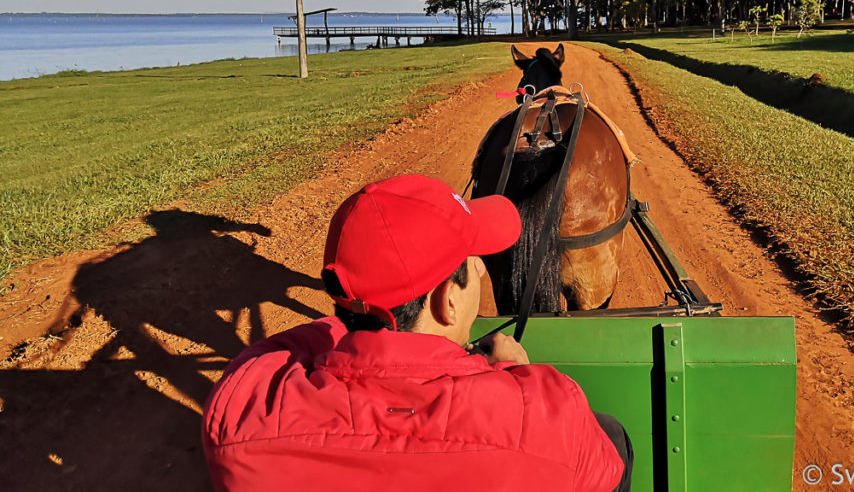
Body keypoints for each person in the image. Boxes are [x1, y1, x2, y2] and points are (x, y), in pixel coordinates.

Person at [202, 174, 632, 491]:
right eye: (473, 260)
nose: (482, 268)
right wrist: (514, 374)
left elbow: (278, 350)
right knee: (614, 435)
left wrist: (360, 317)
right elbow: (605, 473)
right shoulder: (547, 412)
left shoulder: (240, 417)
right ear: (447, 300)